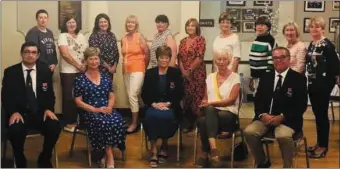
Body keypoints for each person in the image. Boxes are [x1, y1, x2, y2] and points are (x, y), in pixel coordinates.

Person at [244, 47, 308, 168]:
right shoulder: (265, 77)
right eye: (275, 58)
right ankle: (262, 161)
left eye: (282, 57)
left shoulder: (298, 79)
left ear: (289, 59)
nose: (279, 60)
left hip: (288, 120)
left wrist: (282, 117)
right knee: (249, 132)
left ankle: (287, 166)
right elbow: (258, 100)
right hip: (266, 118)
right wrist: (262, 115)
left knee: (283, 135)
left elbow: (301, 105)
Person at [1, 42, 61, 167]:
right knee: (15, 130)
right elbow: (6, 96)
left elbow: (50, 95)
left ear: (38, 55)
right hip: (19, 114)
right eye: (27, 52)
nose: (30, 55)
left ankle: (45, 158)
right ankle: (19, 158)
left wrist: (49, 109)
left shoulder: (45, 71)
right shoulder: (10, 72)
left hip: (40, 113)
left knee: (54, 126)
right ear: (22, 54)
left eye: (33, 52)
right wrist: (13, 112)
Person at [73, 47, 126, 168]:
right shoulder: (79, 79)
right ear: (85, 61)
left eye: (96, 58)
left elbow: (111, 95)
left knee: (118, 121)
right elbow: (78, 101)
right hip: (89, 111)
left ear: (99, 60)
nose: (94, 62)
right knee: (102, 122)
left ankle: (102, 154)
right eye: (90, 59)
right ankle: (109, 155)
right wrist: (96, 109)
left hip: (106, 109)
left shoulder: (106, 76)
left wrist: (110, 107)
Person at [141, 45, 184, 168]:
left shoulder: (175, 73)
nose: (164, 60)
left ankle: (165, 145)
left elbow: (180, 93)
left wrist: (167, 104)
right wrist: (154, 104)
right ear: (157, 58)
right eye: (161, 58)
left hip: (170, 106)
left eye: (166, 58)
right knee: (151, 117)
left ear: (170, 59)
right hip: (153, 106)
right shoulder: (150, 73)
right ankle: (154, 151)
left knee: (166, 117)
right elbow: (144, 93)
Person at [197, 50, 240, 166]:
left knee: (204, 120)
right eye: (218, 59)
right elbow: (205, 98)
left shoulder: (235, 77)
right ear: (215, 61)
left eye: (224, 59)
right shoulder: (210, 77)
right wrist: (204, 103)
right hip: (211, 114)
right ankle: (213, 148)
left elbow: (231, 100)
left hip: (228, 114)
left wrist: (212, 104)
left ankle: (205, 152)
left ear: (229, 61)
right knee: (203, 118)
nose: (221, 62)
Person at [305, 16, 340, 158]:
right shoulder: (312, 44)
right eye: (312, 26)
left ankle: (323, 146)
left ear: (323, 29)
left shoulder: (327, 45)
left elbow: (336, 66)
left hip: (323, 85)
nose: (314, 29)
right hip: (313, 83)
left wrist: (332, 82)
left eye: (317, 26)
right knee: (318, 115)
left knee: (322, 116)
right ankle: (319, 143)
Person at [58, 15, 87, 132]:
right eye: (69, 22)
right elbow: (64, 54)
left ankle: (79, 121)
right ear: (65, 25)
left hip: (81, 70)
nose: (71, 24)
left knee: (80, 96)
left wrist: (84, 65)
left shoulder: (81, 36)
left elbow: (86, 52)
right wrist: (78, 65)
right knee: (69, 97)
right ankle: (69, 123)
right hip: (68, 71)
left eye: (73, 22)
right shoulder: (62, 36)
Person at [121, 15, 150, 134]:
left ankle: (134, 123)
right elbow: (124, 54)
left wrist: (143, 68)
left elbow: (147, 54)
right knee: (132, 95)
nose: (130, 24)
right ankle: (141, 116)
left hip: (138, 69)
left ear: (136, 25)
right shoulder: (123, 38)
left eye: (132, 23)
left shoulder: (140, 37)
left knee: (133, 94)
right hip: (126, 70)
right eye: (128, 22)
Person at [178, 18, 206, 133]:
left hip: (197, 74)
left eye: (193, 26)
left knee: (197, 97)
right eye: (188, 25)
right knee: (187, 98)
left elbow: (199, 57)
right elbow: (179, 58)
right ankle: (188, 122)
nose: (190, 27)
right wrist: (183, 71)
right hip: (184, 74)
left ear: (197, 28)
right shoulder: (183, 41)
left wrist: (189, 70)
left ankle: (198, 123)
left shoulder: (200, 40)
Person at [249, 16, 277, 95]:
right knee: (257, 99)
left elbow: (272, 60)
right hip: (255, 75)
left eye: (262, 25)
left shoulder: (270, 40)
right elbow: (252, 59)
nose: (259, 27)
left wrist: (267, 76)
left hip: (265, 76)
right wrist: (252, 76)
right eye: (258, 25)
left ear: (268, 27)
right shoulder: (257, 39)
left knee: (264, 99)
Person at [89, 13, 119, 79]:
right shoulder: (94, 36)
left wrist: (114, 66)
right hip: (98, 69)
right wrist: (108, 67)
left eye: (105, 21)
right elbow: (95, 55)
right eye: (101, 22)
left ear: (108, 23)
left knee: (109, 88)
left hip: (111, 70)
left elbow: (116, 52)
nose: (103, 24)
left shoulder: (112, 35)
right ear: (97, 24)